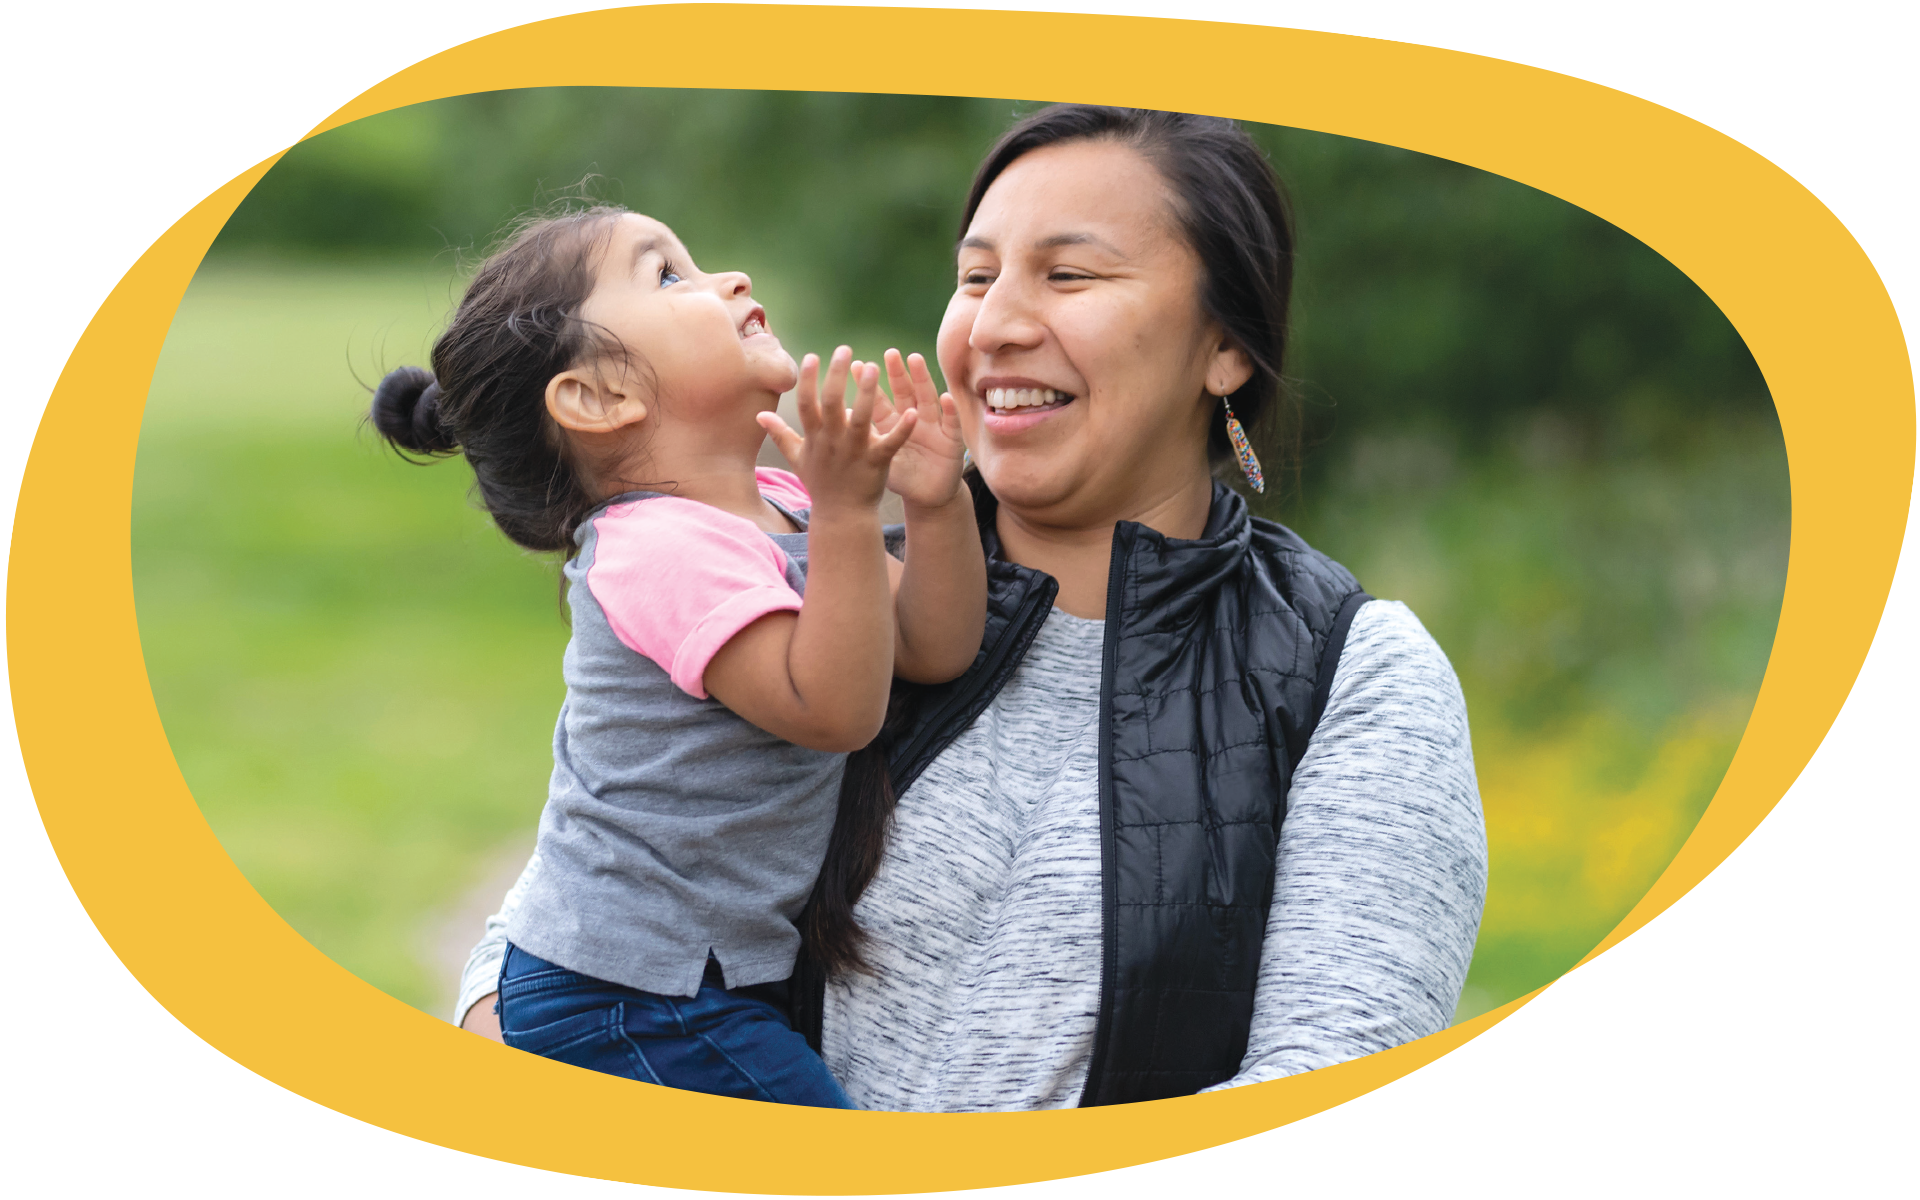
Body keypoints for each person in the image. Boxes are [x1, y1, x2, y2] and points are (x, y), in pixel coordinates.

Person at [457, 105, 1487, 1111]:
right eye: (977, 278)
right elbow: (596, 878)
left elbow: (1331, 1066)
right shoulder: (829, 580)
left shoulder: (1353, 675)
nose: (996, 326)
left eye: (1070, 275)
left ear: (1225, 345)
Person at [373, 206, 986, 1108]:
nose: (730, 278)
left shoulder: (782, 502)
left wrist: (934, 505)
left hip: (686, 982)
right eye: (668, 275)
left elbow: (933, 648)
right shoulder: (654, 546)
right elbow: (834, 709)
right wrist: (851, 514)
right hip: (624, 994)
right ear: (597, 398)